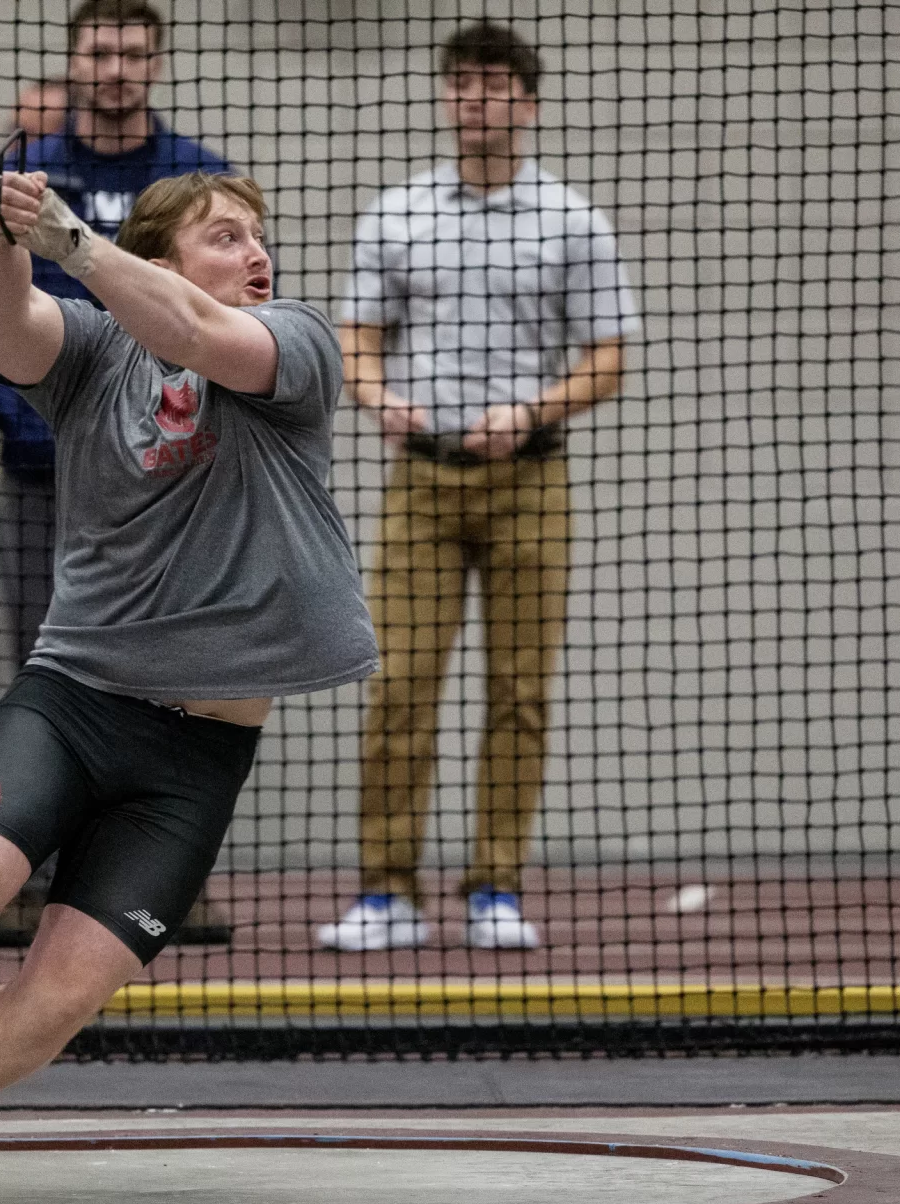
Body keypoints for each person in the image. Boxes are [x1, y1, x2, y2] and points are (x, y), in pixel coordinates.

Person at [0, 168, 376, 1204]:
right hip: (75, 698)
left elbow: (195, 333)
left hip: (193, 758)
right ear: (161, 251)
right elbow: (6, 331)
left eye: (260, 237)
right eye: (225, 237)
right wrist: (3, 233)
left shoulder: (298, 346)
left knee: (55, 1001)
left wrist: (74, 242)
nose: (257, 255)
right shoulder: (97, 351)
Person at [318, 22, 640, 952]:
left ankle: (494, 886)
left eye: (496, 86)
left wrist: (534, 411)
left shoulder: (572, 220)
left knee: (519, 691)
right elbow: (357, 338)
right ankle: (386, 893)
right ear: (445, 98)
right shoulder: (398, 213)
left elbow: (608, 358)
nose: (477, 100)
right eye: (462, 84)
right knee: (400, 686)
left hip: (530, 484)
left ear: (528, 106)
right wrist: (377, 398)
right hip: (421, 484)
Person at [0, 0, 237, 948]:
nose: (113, 67)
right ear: (74, 61)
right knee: (49, 667)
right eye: (97, 51)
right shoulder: (34, 174)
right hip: (44, 475)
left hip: (172, 480)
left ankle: (161, 882)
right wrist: (36, 429)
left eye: (130, 52)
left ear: (155, 63)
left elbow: (220, 315)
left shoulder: (190, 176)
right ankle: (31, 881)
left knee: (181, 673)